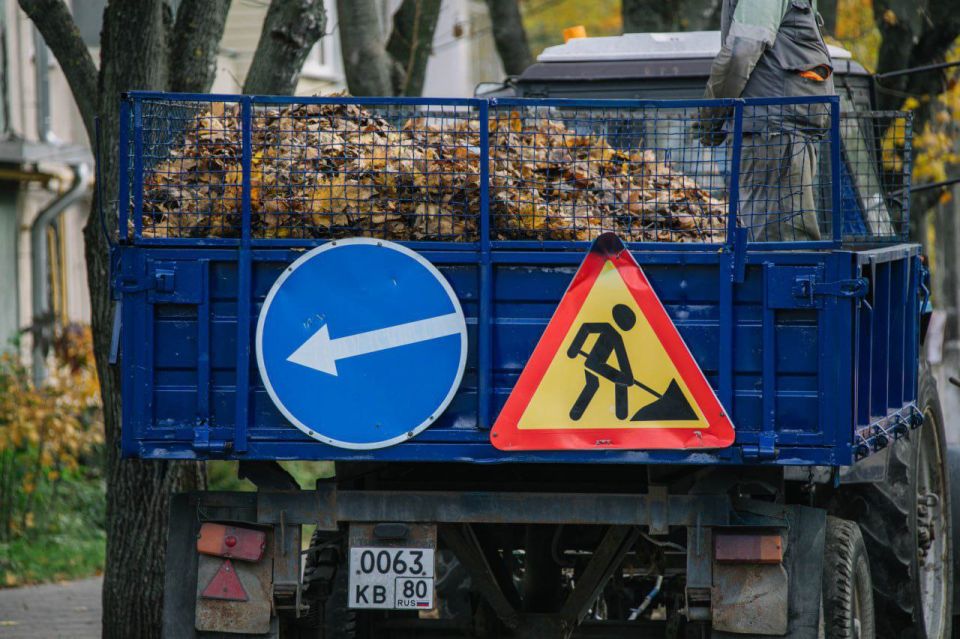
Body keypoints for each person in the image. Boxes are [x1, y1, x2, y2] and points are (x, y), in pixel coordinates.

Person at [698, 0, 835, 242]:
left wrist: (710, 119)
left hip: (776, 136)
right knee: (785, 243)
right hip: (781, 134)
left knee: (778, 247)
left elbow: (742, 51)